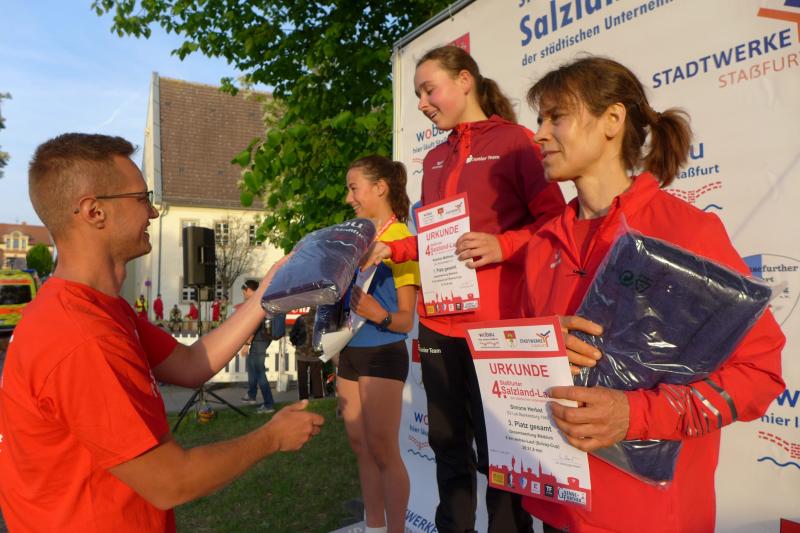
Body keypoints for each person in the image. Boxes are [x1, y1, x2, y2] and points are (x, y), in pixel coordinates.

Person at [0, 133, 324, 532]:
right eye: (141, 198)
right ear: (94, 211)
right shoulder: (80, 336)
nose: (153, 212)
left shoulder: (101, 309)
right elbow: (170, 481)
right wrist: (271, 438)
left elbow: (190, 364)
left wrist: (265, 293)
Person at [519, 56, 785, 532]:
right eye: (539, 119)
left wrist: (636, 416)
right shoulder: (541, 245)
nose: (538, 134)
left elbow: (759, 376)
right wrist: (536, 347)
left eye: (555, 117)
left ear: (612, 120)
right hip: (558, 506)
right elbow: (520, 369)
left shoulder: (687, 232)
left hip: (650, 517)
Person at [364, 46, 565, 533]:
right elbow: (437, 240)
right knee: (448, 447)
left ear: (465, 81)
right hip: (438, 326)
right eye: (417, 94)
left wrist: (503, 244)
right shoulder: (435, 157)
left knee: (503, 457)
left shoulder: (515, 142)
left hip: (496, 328)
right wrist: (394, 249)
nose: (421, 103)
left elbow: (557, 222)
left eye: (428, 90)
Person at [337, 155, 420, 533]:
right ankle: (373, 526)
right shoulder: (360, 239)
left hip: (382, 353)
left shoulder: (401, 240)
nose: (348, 198)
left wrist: (377, 313)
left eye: (354, 188)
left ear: (380, 188)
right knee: (360, 447)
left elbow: (405, 320)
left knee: (384, 451)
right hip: (350, 352)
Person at [240, 279, 276, 414]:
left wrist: (246, 344)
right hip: (262, 339)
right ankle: (252, 395)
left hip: (259, 340)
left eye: (244, 292)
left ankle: (268, 404)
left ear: (249, 290)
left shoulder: (258, 303)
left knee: (259, 371)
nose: (244, 294)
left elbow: (254, 325)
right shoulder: (261, 300)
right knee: (252, 366)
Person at [291, 307, 324, 400]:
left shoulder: (301, 318)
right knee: (316, 376)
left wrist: (296, 343)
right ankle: (318, 397)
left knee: (302, 377)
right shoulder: (321, 320)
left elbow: (293, 334)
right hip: (315, 353)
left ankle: (303, 398)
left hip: (301, 353)